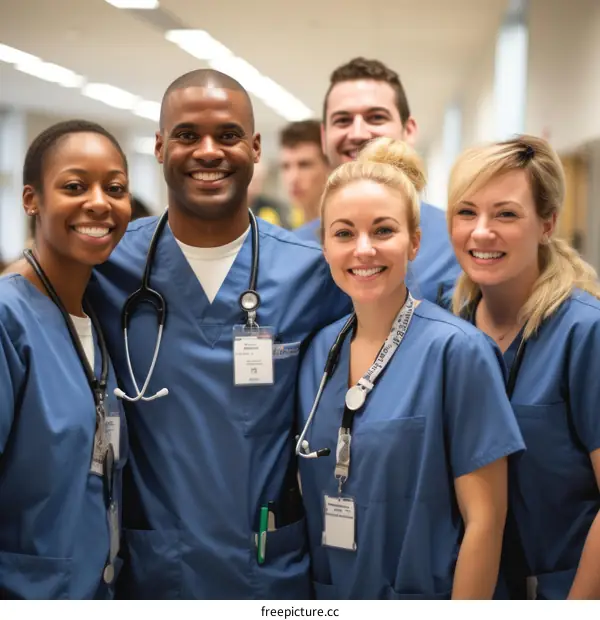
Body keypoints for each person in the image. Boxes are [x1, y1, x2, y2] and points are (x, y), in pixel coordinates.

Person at [86, 69, 351, 599]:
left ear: (254, 148)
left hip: (266, 569)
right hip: (154, 569)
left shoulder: (314, 272)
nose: (208, 151)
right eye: (186, 135)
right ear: (160, 147)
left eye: (228, 135)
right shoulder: (108, 268)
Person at [296, 137, 524, 599]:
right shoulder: (320, 352)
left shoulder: (458, 352)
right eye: (343, 233)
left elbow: (485, 521)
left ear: (414, 242)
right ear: (324, 246)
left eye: (383, 231)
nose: (363, 249)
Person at [447, 135, 600, 600]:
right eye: (466, 212)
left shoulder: (584, 333)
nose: (481, 232)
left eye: (506, 214)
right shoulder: (445, 328)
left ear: (548, 223)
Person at [0, 120, 131, 599]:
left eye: (114, 188)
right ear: (31, 199)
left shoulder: (95, 316)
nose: (99, 202)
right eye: (75, 186)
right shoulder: (8, 319)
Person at [317, 57, 460, 303]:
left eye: (376, 117)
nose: (359, 133)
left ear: (409, 130)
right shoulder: (293, 250)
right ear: (324, 136)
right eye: (342, 120)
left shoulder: (456, 244)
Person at [279, 120, 330, 241]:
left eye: (304, 165)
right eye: (286, 166)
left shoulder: (345, 235)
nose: (293, 178)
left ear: (329, 167)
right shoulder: (293, 237)